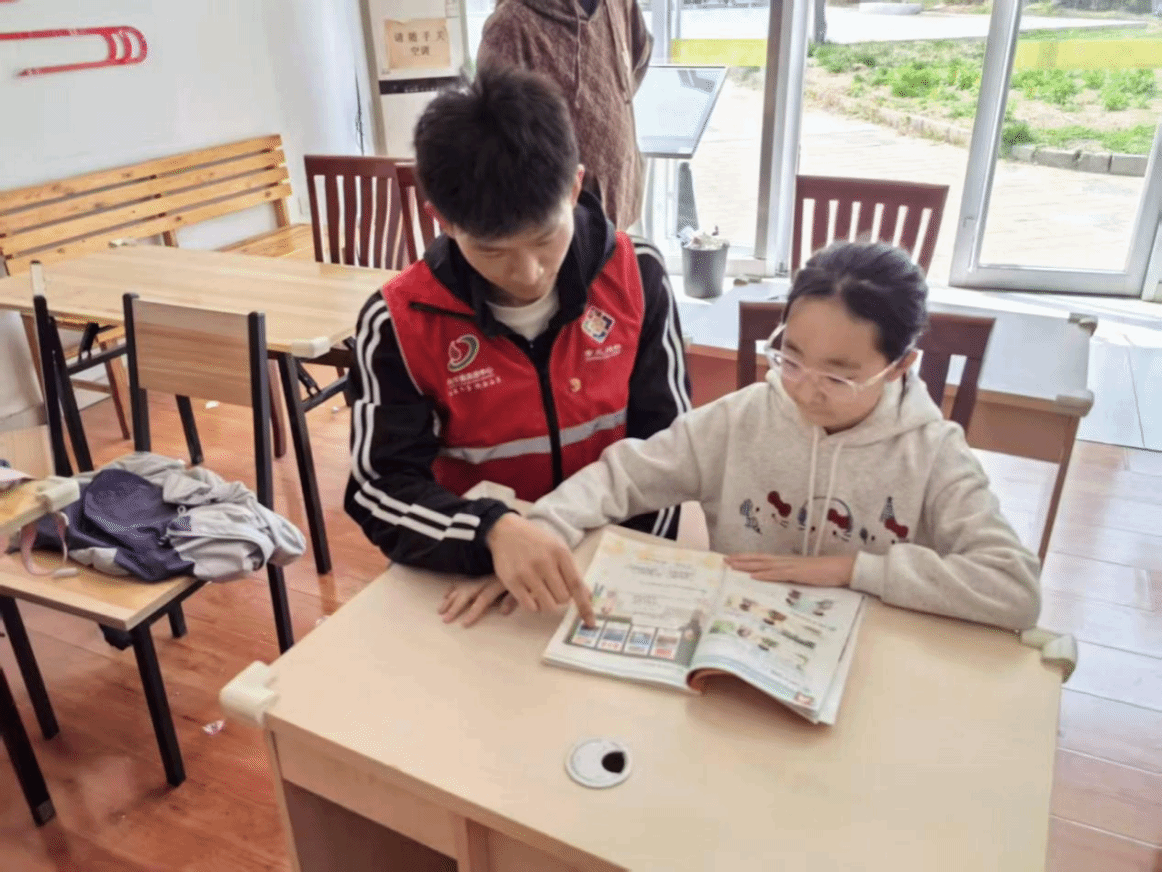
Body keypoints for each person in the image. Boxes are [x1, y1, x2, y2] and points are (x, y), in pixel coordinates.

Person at [447, 241, 1041, 631]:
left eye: (839, 376)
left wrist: (851, 569)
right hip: (735, 645)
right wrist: (538, 534)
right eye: (791, 358)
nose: (804, 389)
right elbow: (621, 476)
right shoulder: (743, 419)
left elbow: (1015, 588)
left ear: (900, 367)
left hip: (872, 657)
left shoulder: (932, 451)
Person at [344, 67, 690, 624]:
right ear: (443, 220)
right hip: (474, 576)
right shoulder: (398, 321)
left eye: (546, 238)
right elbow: (379, 489)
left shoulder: (636, 276)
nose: (528, 273)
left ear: (574, 188)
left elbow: (669, 451)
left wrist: (603, 558)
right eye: (492, 251)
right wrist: (490, 535)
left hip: (610, 568)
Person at [476, 0, 653, 231]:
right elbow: (495, 130)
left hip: (620, 187)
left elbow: (638, 58)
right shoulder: (510, 24)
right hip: (556, 213)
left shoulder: (621, 4)